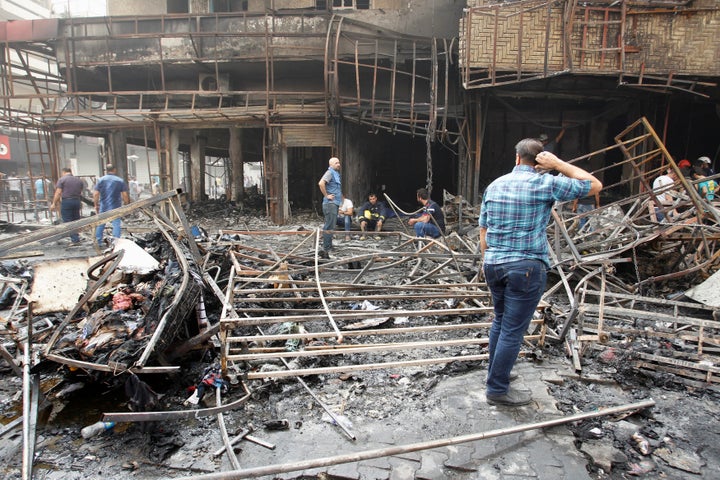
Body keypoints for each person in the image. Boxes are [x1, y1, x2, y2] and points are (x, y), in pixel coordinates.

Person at [479, 138, 602, 406]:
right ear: (540, 162)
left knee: (500, 322)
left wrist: (487, 259)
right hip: (525, 267)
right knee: (512, 329)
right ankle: (497, 389)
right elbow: (594, 185)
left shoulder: (494, 185)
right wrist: (558, 164)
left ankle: (496, 375)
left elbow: (483, 230)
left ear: (516, 158)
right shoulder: (545, 183)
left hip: (494, 263)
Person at [93, 164, 130, 249]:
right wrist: (127, 204)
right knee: (116, 224)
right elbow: (124, 194)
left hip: (104, 205)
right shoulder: (119, 180)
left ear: (106, 170)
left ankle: (98, 241)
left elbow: (96, 194)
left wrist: (96, 204)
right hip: (115, 206)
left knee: (101, 223)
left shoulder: (101, 180)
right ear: (114, 170)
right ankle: (116, 242)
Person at [51, 168, 85, 244]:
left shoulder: (62, 180)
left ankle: (75, 240)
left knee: (68, 221)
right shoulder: (78, 180)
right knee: (76, 220)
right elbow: (81, 191)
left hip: (67, 201)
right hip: (77, 201)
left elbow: (58, 192)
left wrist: (54, 203)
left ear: (63, 172)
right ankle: (76, 237)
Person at [317, 156, 342, 258]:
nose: (338, 164)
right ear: (331, 165)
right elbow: (321, 183)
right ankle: (326, 248)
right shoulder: (330, 173)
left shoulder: (336, 174)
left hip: (334, 203)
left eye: (339, 162)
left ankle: (329, 246)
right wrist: (326, 195)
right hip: (330, 204)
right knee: (329, 225)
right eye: (336, 163)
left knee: (331, 225)